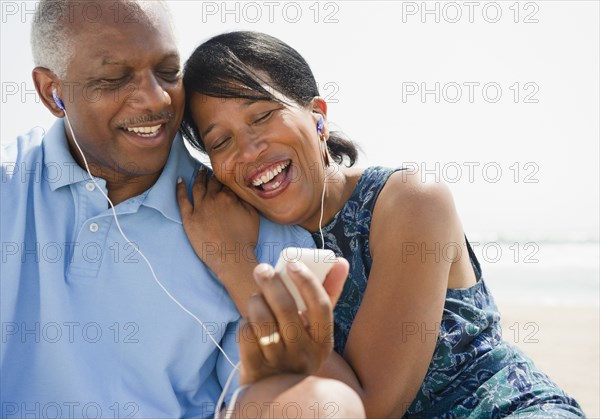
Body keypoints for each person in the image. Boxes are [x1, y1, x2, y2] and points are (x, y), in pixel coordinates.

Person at [178, 31, 585, 418]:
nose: (248, 150)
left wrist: (235, 265)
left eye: (262, 116)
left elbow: (370, 409)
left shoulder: (411, 200)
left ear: (318, 117)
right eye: (220, 142)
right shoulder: (253, 229)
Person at [1, 3, 365, 418]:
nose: (157, 99)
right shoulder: (8, 188)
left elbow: (297, 399)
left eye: (168, 72)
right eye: (115, 77)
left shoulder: (255, 234)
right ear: (52, 91)